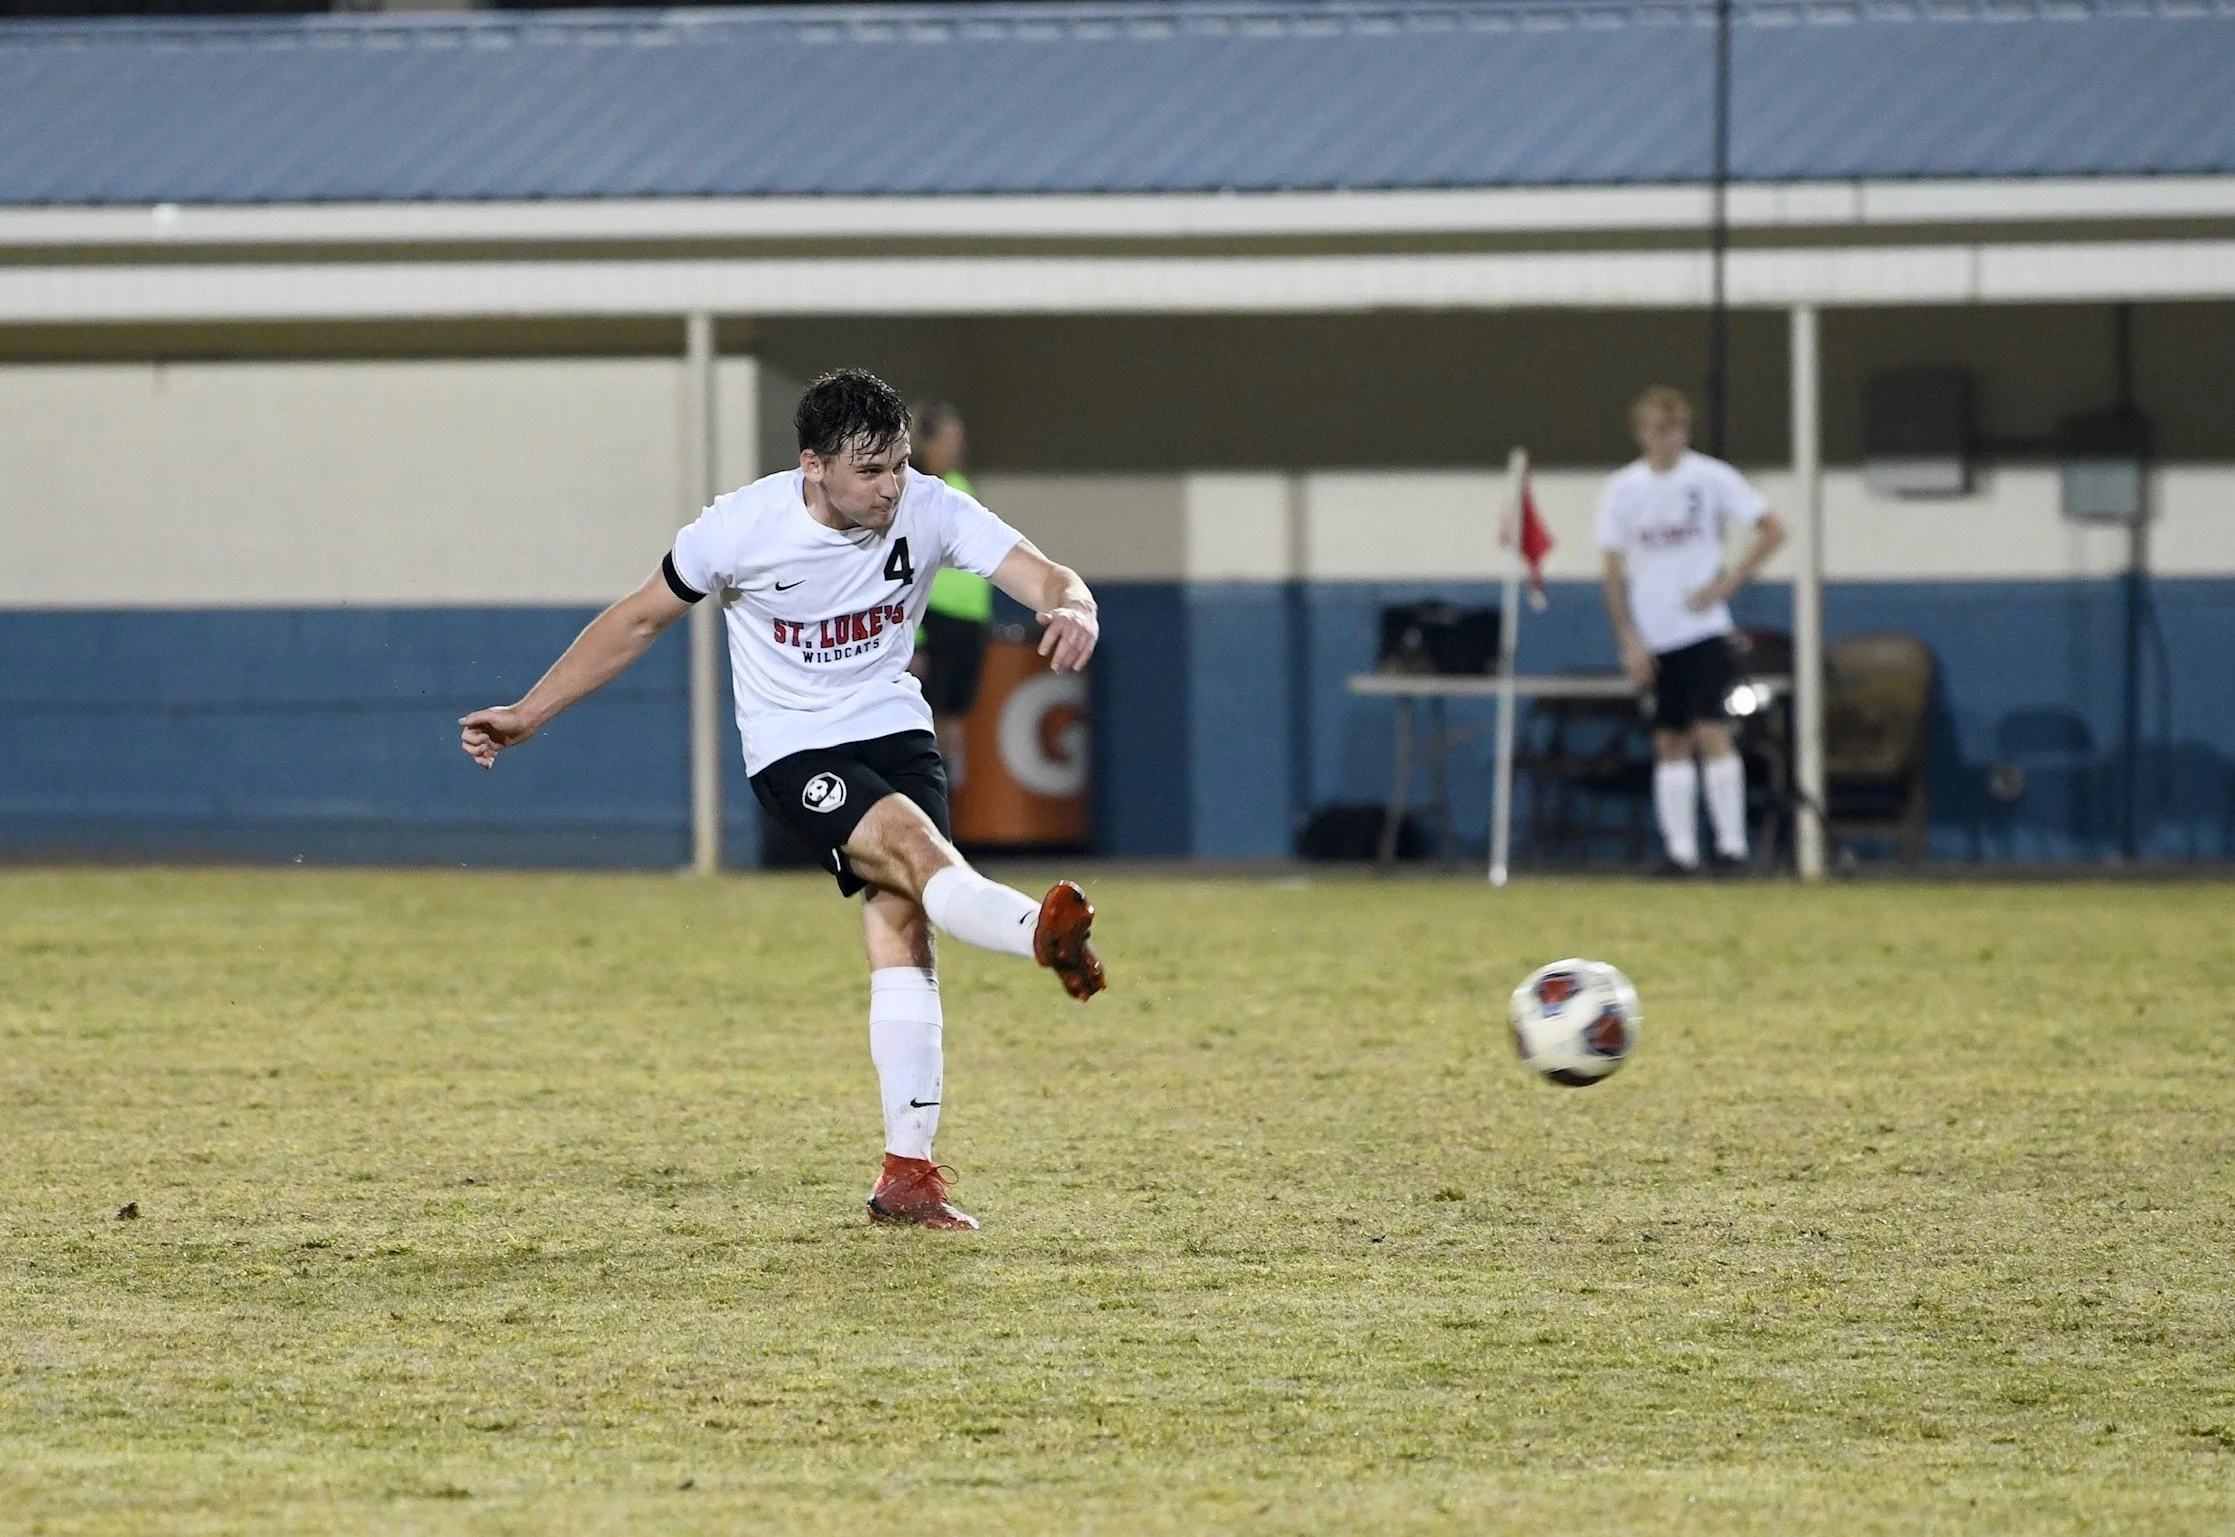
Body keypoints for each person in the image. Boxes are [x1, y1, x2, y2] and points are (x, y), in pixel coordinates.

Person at [459, 368, 1105, 1232]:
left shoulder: (931, 505)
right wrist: (529, 713)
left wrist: (1076, 608)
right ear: (813, 465)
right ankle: (1038, 932)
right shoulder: (739, 529)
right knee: (918, 859)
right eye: (870, 470)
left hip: (891, 727)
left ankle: (908, 1176)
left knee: (903, 918)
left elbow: (1046, 575)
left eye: (901, 465)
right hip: (793, 747)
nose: (892, 487)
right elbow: (638, 619)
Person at [1597, 386, 1786, 875]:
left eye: (1678, 428)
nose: (1670, 438)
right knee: (1668, 739)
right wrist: (1628, 638)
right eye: (1660, 429)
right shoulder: (1624, 489)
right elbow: (1613, 569)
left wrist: (1728, 582)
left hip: (1702, 630)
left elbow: (1771, 528)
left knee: (1713, 732)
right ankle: (1680, 851)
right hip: (1656, 634)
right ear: (1642, 433)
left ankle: (1731, 847)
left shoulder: (1710, 477)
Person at [908, 401, 993, 785]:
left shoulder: (960, 488)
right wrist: (916, 637)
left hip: (968, 622)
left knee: (955, 712)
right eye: (947, 439)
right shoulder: (909, 491)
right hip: (934, 619)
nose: (955, 447)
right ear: (925, 443)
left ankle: (946, 800)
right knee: (931, 711)